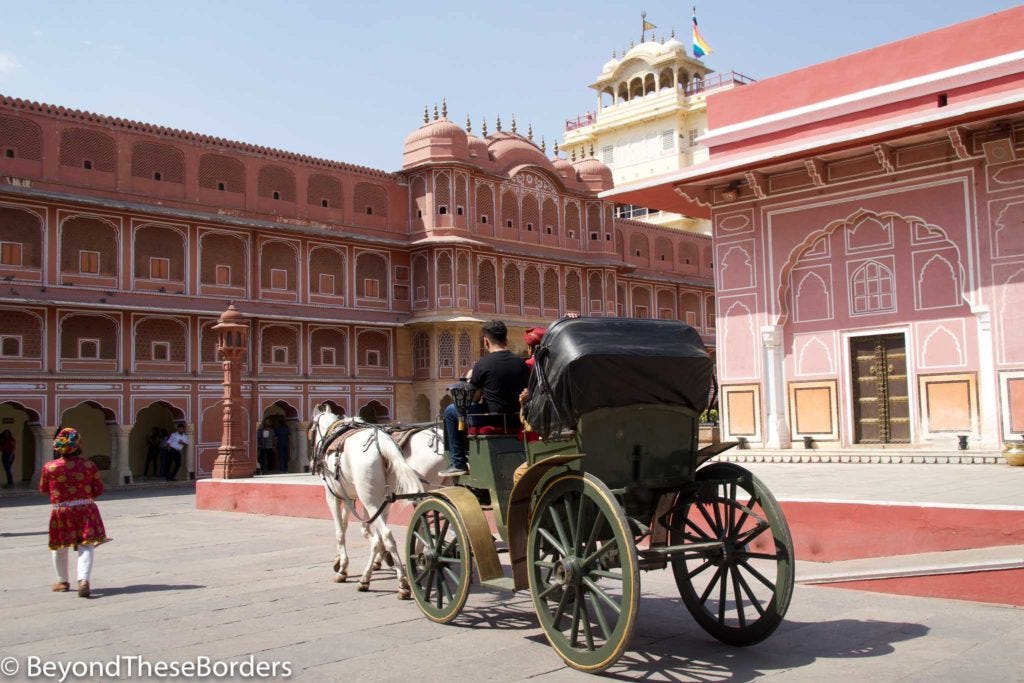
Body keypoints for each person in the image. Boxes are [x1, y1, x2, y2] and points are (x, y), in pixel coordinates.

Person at [439, 320, 529, 477]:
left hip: (492, 419)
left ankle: (458, 463)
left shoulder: (483, 364)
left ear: (486, 341)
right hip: (516, 419)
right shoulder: (520, 363)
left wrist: (470, 379)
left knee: (451, 411)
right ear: (506, 339)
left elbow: (474, 398)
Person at [39, 427, 110, 597]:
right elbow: (98, 489)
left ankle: (62, 581)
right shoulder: (89, 466)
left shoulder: (50, 467)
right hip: (85, 509)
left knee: (59, 547)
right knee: (86, 545)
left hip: (61, 510)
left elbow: (43, 489)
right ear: (78, 445)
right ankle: (83, 580)